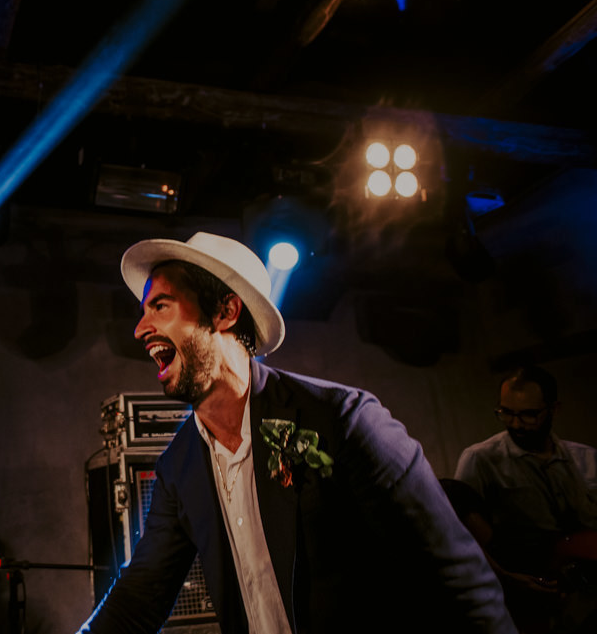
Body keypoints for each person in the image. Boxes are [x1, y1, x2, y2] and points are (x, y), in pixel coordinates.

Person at [78, 232, 514, 633]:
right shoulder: (179, 467)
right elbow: (140, 597)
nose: (140, 329)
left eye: (160, 306)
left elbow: (456, 581)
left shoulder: (342, 419)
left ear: (226, 311)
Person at [455, 366, 597, 632]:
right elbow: (462, 535)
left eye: (529, 415)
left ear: (554, 409)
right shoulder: (481, 459)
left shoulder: (587, 459)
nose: (516, 424)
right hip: (529, 598)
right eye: (506, 413)